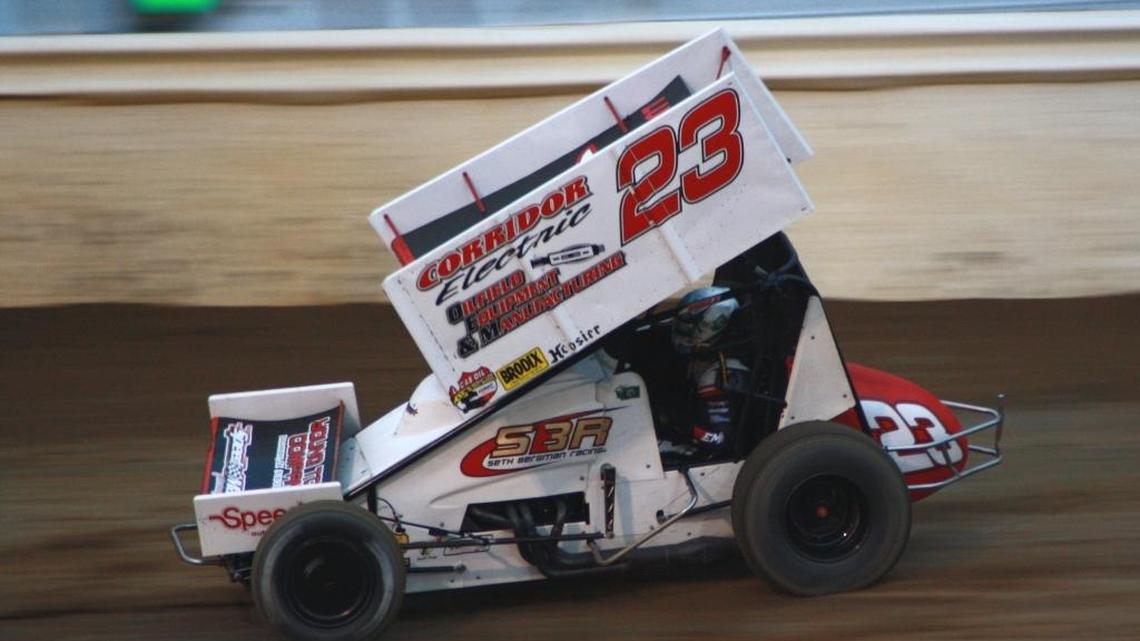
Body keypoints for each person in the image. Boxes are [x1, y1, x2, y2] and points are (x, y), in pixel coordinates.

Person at [670, 287, 749, 452]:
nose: (682, 331)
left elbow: (722, 439)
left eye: (687, 326)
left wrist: (678, 425)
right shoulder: (721, 363)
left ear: (709, 325)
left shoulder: (716, 375)